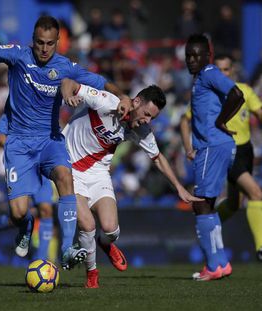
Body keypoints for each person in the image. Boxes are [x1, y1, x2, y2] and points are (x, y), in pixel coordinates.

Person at [0, 15, 129, 269]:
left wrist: (123, 95)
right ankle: (24, 227)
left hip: (50, 140)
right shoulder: (17, 56)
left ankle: (68, 248)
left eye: (50, 43)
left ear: (58, 42)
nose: (44, 49)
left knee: (64, 177)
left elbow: (100, 82)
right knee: (18, 212)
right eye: (39, 43)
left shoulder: (65, 67)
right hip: (19, 145)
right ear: (33, 41)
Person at [60, 78, 203, 288]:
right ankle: (92, 275)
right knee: (88, 224)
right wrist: (68, 95)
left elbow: (159, 159)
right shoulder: (107, 103)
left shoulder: (140, 130)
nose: (147, 121)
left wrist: (179, 188)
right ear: (135, 102)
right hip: (70, 169)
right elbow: (69, 82)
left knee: (110, 230)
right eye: (146, 114)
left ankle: (105, 243)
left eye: (152, 118)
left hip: (98, 173)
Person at [180, 53, 262, 261]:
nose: (223, 73)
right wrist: (188, 147)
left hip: (246, 151)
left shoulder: (244, 91)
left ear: (232, 70)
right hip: (226, 150)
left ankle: (206, 227)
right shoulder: (209, 93)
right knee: (256, 193)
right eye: (219, 69)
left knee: (234, 204)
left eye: (226, 69)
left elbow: (259, 113)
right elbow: (184, 119)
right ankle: (261, 247)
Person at [184, 34, 244, 281]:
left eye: (197, 54)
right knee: (206, 205)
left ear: (207, 56)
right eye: (188, 55)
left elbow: (237, 94)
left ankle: (214, 265)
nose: (192, 59)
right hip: (213, 146)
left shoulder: (209, 72)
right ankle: (220, 263)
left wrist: (221, 121)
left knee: (200, 202)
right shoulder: (201, 78)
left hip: (212, 145)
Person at [0, 113, 55, 261]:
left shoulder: (45, 104)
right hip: (20, 167)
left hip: (41, 166)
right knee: (20, 214)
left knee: (46, 210)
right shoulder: (14, 107)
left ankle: (40, 260)